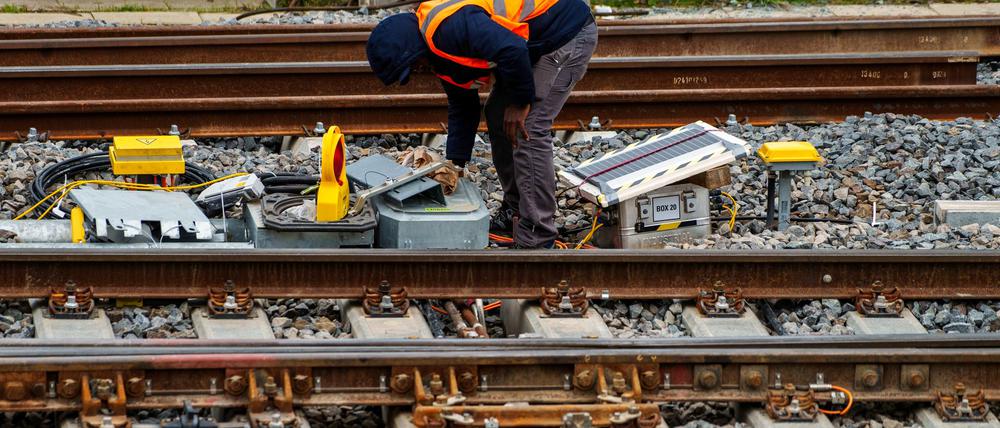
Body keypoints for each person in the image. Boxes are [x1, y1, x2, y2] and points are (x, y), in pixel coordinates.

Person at [366, 0, 597, 249]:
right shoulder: (437, 52)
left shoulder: (448, 29)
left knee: (527, 126)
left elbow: (513, 48)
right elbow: (462, 105)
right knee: (498, 113)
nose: (418, 72)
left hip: (566, 32)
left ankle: (537, 232)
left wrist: (520, 102)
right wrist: (455, 164)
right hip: (533, 41)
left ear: (412, 49)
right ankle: (516, 208)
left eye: (412, 66)